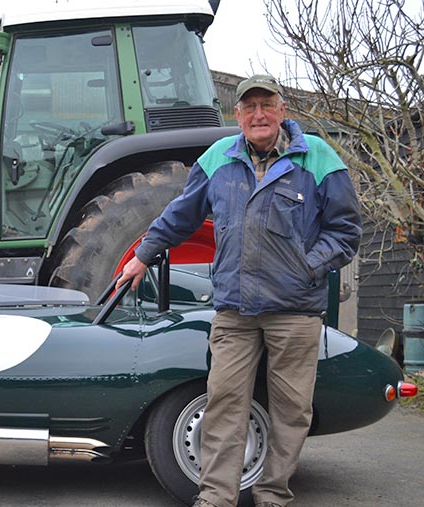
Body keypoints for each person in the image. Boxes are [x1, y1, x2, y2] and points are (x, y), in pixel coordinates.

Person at [116, 75, 361, 507]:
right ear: (238, 115)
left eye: (267, 105)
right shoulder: (217, 160)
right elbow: (180, 216)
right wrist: (143, 253)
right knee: (224, 405)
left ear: (282, 111)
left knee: (291, 411)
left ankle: (272, 495)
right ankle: (215, 497)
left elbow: (344, 232)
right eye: (250, 108)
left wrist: (307, 267)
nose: (259, 115)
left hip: (295, 312)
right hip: (235, 312)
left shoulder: (319, 157)